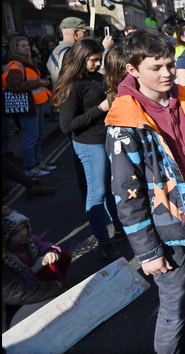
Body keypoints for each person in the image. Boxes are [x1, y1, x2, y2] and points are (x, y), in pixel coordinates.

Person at [105, 29, 185, 353]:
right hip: (165, 229)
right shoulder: (125, 120)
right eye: (155, 67)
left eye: (170, 65)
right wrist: (147, 251)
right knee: (174, 306)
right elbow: (126, 194)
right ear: (132, 70)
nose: (167, 73)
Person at [51, 37, 123, 260]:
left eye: (99, 59)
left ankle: (120, 230)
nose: (96, 63)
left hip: (107, 138)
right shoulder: (71, 86)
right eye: (93, 60)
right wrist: (100, 108)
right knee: (98, 192)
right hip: (89, 143)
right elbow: (67, 126)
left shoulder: (97, 78)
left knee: (113, 188)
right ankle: (104, 243)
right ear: (81, 58)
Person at [4, 36, 54, 177]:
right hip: (28, 106)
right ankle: (30, 167)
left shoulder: (27, 64)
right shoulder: (15, 66)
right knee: (31, 137)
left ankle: (38, 163)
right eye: (22, 46)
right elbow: (14, 86)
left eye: (27, 45)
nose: (27, 48)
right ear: (15, 48)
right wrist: (38, 82)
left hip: (35, 105)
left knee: (38, 136)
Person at [46, 17, 90, 87]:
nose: (86, 36)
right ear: (75, 33)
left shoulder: (56, 51)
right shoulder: (72, 52)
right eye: (85, 32)